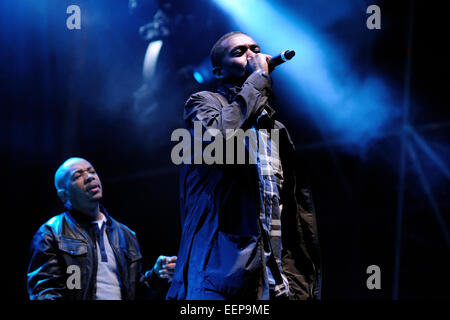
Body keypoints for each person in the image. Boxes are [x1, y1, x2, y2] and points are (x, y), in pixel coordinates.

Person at [167, 31, 321, 300]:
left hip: (277, 278)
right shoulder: (204, 104)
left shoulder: (277, 130)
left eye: (256, 48)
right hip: (224, 277)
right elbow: (217, 140)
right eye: (239, 52)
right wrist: (258, 78)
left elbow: (291, 208)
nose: (252, 55)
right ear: (218, 71)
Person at [27, 157, 177, 300]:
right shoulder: (51, 232)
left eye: (91, 171)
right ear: (64, 194)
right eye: (77, 176)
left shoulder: (126, 235)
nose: (89, 177)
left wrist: (156, 277)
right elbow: (44, 290)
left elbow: (137, 292)